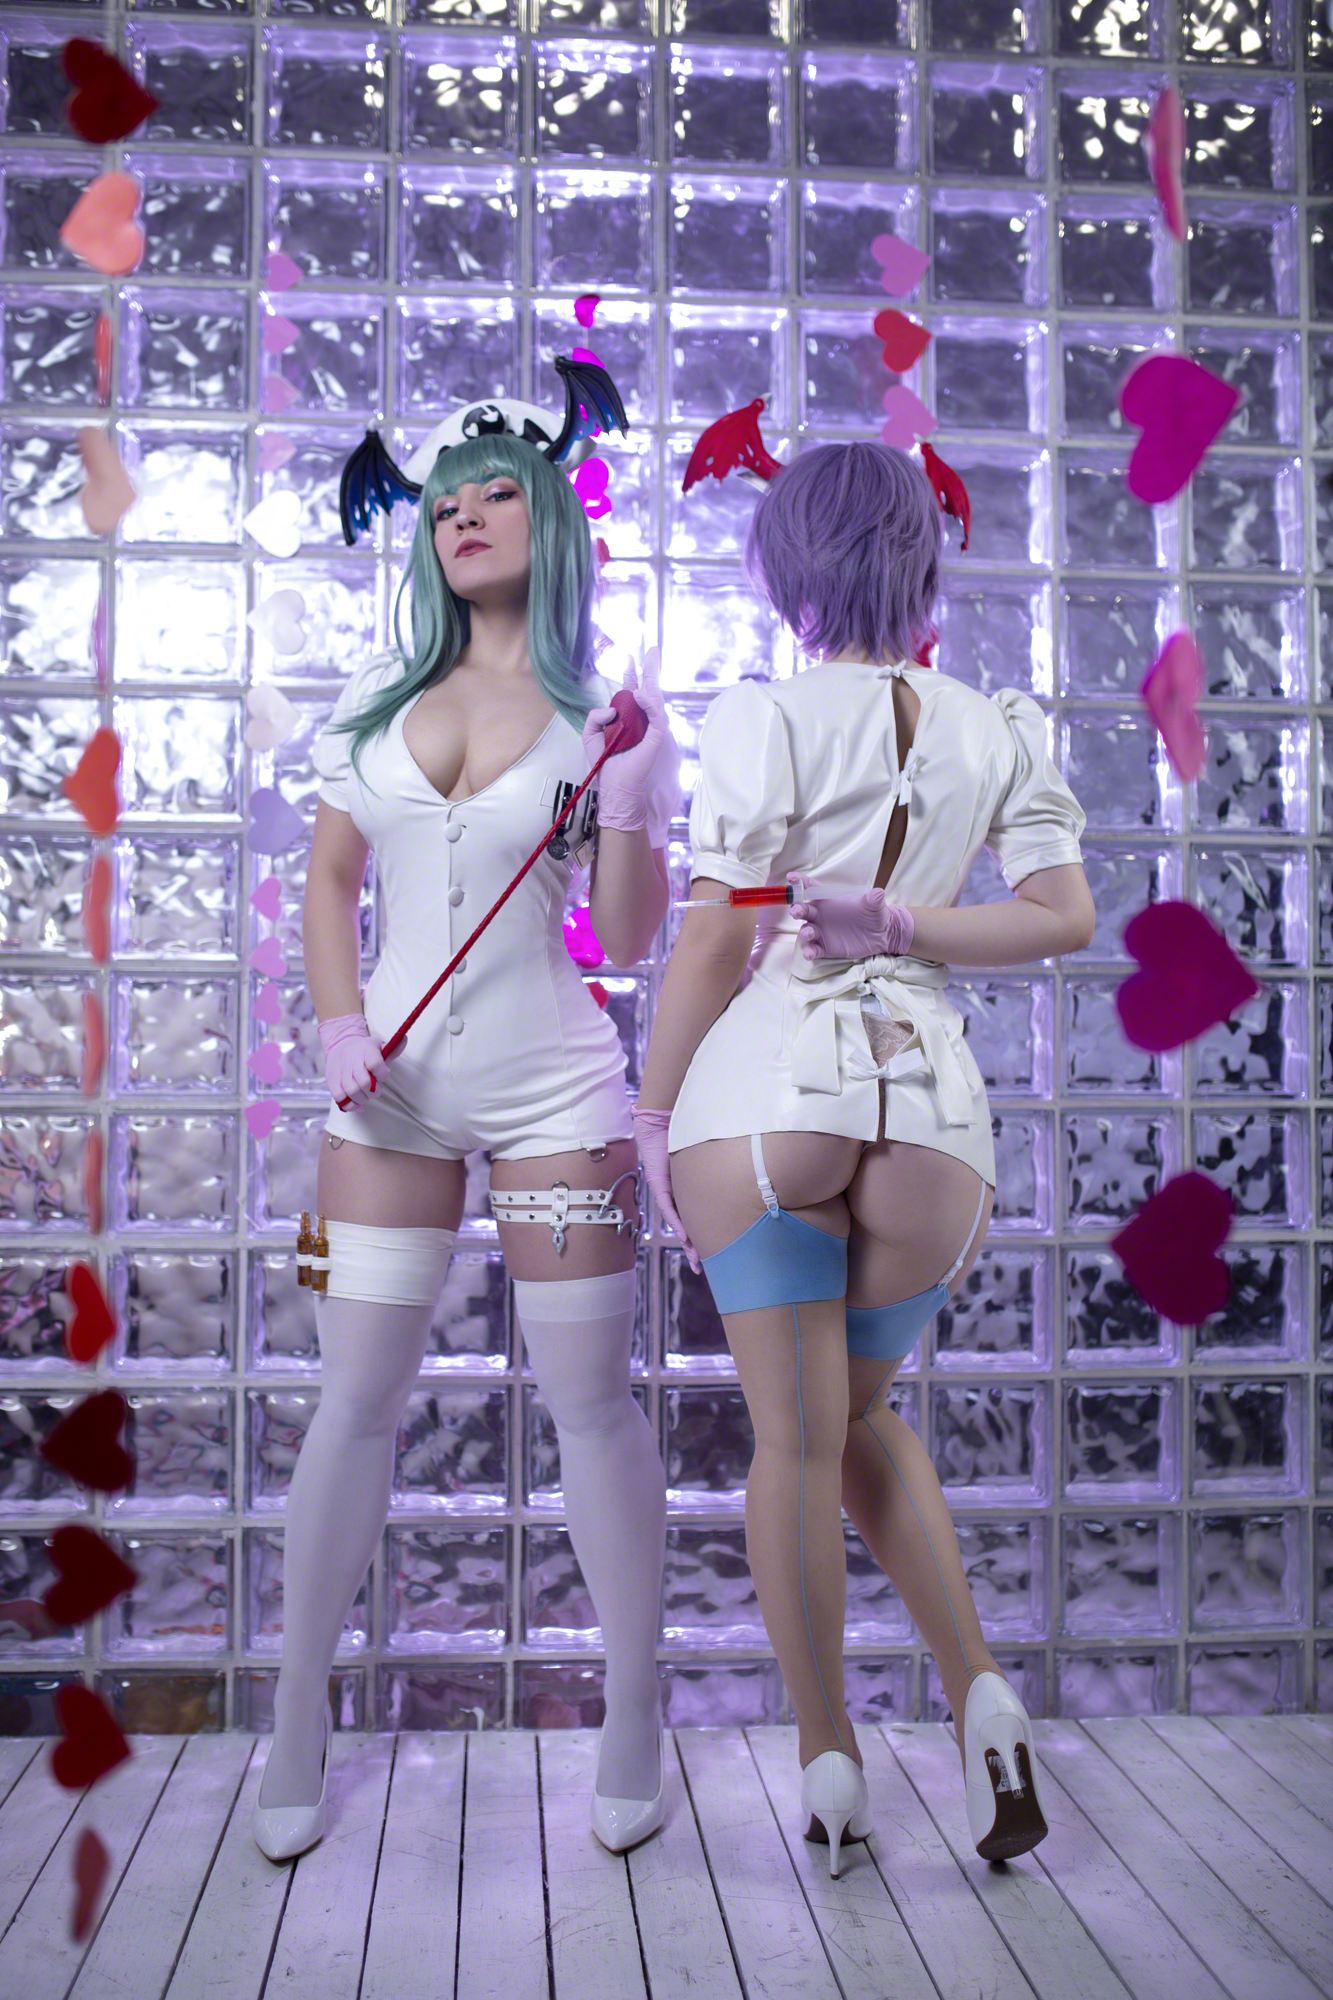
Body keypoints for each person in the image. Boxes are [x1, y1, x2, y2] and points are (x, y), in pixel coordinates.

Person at [633, 440, 1092, 1875]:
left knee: (793, 1438)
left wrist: (651, 1115)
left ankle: (827, 1756)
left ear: (787, 570)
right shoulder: (993, 726)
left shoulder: (763, 715)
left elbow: (714, 938)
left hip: (768, 1104)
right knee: (859, 1423)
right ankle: (981, 1694)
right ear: (922, 562)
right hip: (935, 1129)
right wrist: (903, 925)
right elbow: (1062, 915)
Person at [252, 383, 679, 1863]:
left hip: (557, 1091)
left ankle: (633, 1708)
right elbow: (327, 886)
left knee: (592, 1401)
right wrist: (334, 1026)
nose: (465, 518)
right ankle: (296, 1717)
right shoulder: (375, 701)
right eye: (443, 504)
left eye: (495, 493)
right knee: (352, 1399)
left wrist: (634, 795)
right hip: (384, 1102)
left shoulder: (601, 716)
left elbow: (628, 935)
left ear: (548, 516)